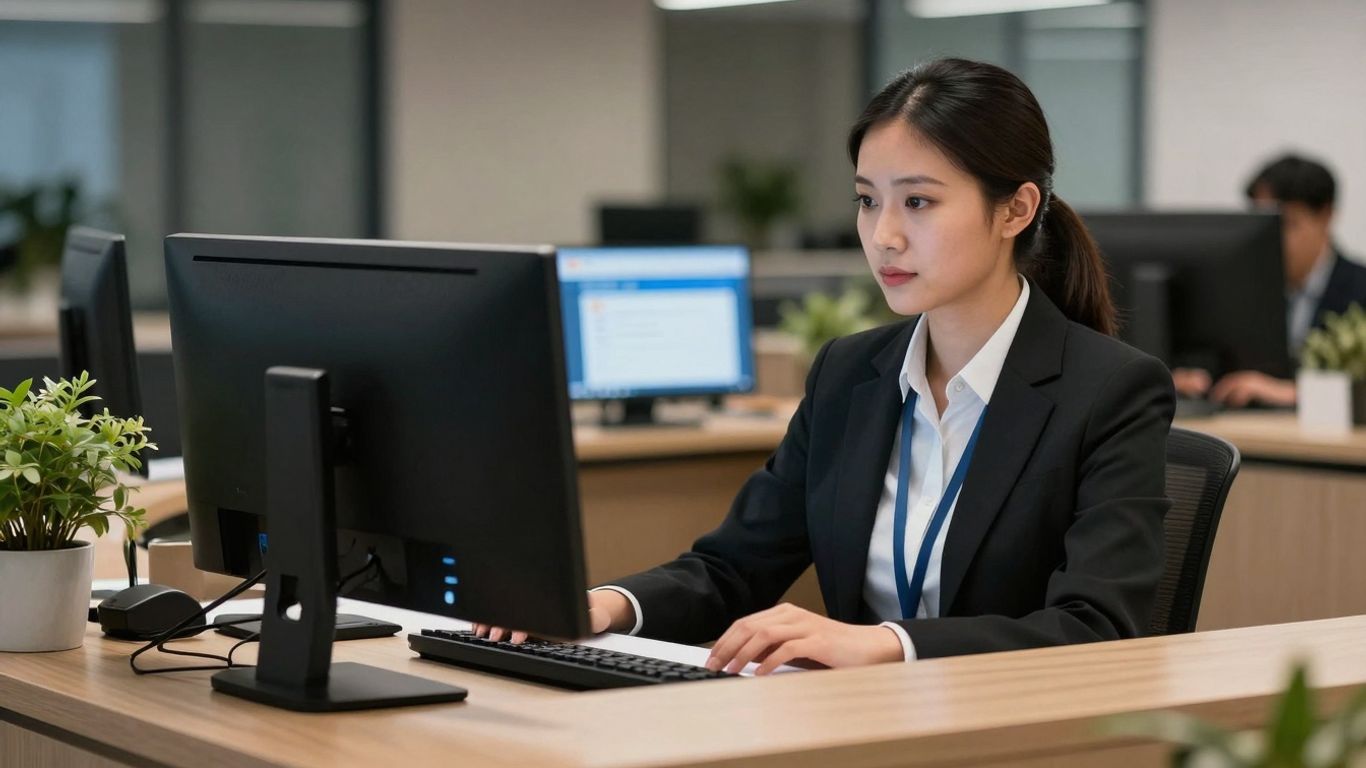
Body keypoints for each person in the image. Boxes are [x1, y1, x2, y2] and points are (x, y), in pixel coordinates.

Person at [476, 58, 1175, 674]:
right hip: (856, 728)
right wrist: (602, 606)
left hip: (1013, 734)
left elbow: (1096, 626)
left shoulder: (1109, 391)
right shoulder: (850, 374)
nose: (884, 235)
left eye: (919, 201)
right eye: (868, 200)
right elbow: (731, 568)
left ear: (1016, 209)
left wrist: (886, 644)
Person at [1173, 155, 1366, 407]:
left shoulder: (1360, 289)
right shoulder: (1239, 291)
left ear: (1326, 216)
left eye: (1285, 224)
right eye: (1261, 226)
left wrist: (1294, 393)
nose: (1271, 240)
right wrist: (1191, 377)